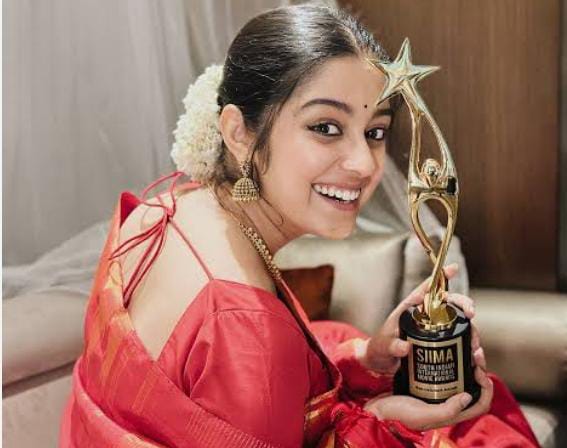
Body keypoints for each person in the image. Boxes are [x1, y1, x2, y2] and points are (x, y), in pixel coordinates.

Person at [59, 5, 539, 447]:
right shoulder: (244, 324)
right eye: (325, 127)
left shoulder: (159, 213)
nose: (363, 164)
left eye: (375, 132)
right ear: (238, 132)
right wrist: (382, 420)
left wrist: (366, 361)